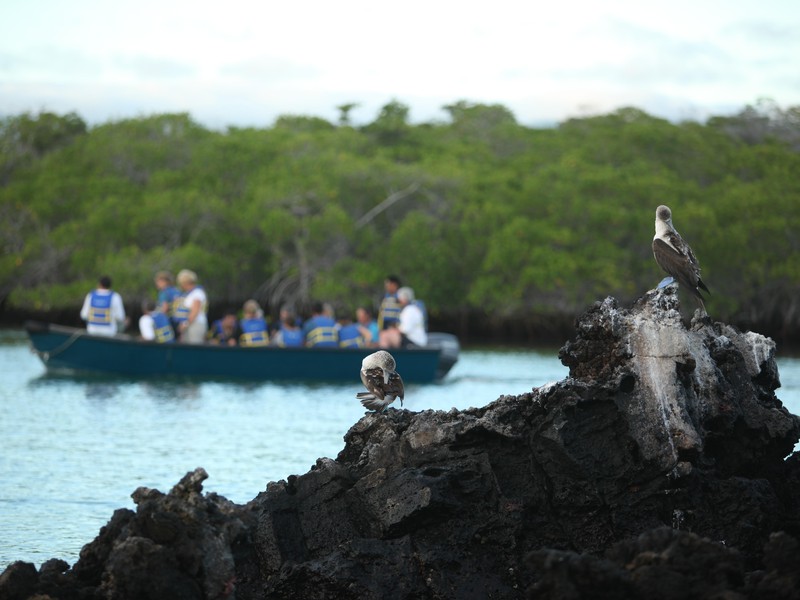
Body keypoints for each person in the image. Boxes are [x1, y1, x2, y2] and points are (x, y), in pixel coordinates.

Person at [176, 269, 208, 344]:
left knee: (194, 345)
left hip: (196, 324)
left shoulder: (197, 293)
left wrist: (185, 323)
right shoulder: (189, 294)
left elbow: (195, 311)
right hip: (189, 324)